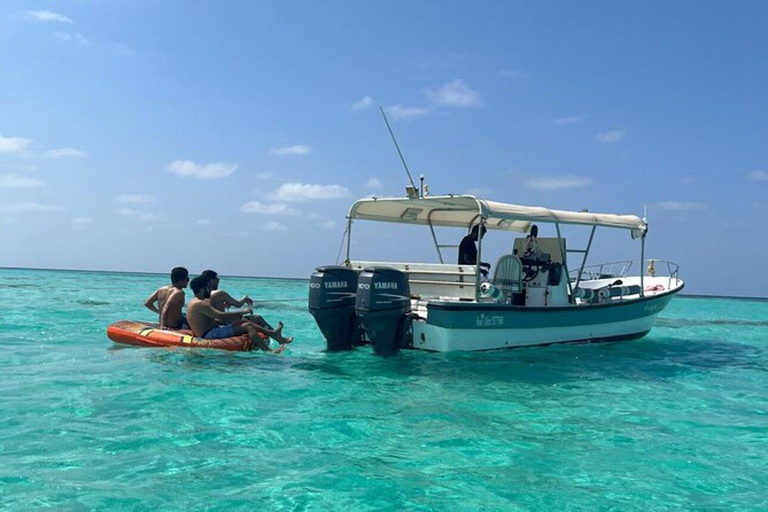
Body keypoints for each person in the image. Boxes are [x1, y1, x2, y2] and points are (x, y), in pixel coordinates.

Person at [186, 275, 293, 353]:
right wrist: (241, 312)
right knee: (248, 326)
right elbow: (219, 315)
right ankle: (269, 351)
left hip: (210, 330)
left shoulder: (194, 301)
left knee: (244, 321)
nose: (210, 291)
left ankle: (274, 334)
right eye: (208, 288)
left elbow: (211, 319)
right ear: (201, 290)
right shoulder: (200, 303)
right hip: (209, 334)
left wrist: (237, 317)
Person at [201, 269, 276, 330]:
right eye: (217, 279)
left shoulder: (202, 293)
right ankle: (274, 334)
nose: (218, 280)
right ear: (211, 281)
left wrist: (222, 304)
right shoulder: (219, 293)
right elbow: (238, 304)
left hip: (213, 322)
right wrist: (244, 299)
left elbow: (212, 306)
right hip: (223, 321)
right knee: (258, 318)